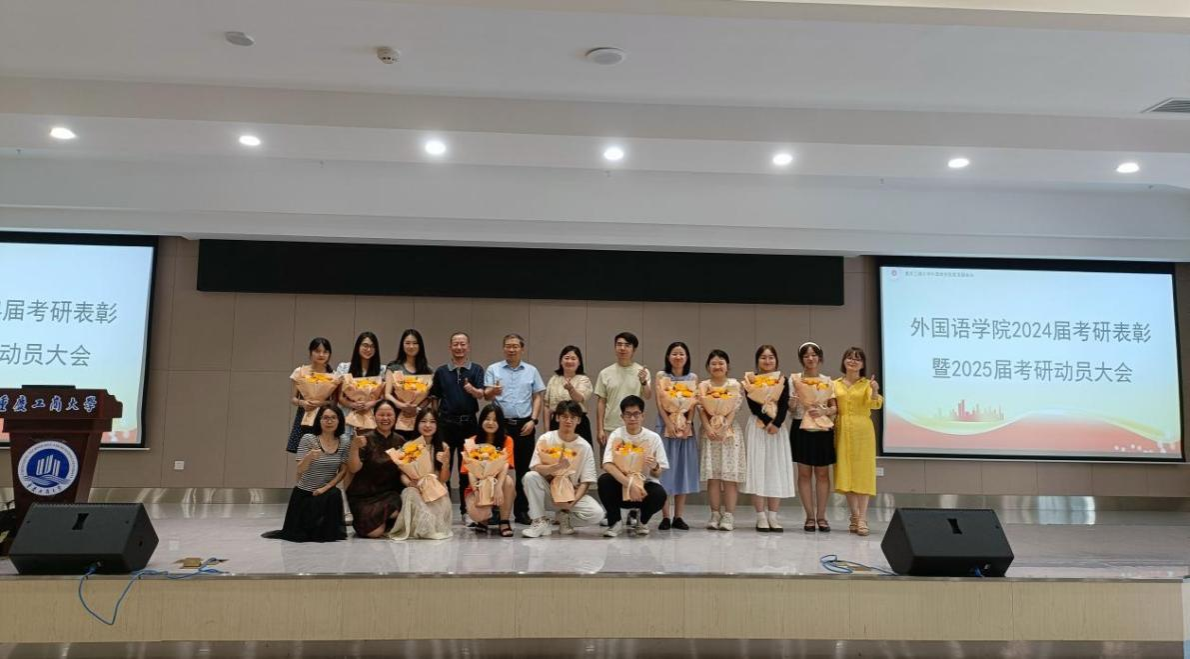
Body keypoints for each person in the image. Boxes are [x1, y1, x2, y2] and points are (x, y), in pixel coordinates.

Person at [262, 405, 349, 542]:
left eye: (333, 418)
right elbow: (300, 469)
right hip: (306, 495)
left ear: (339, 421)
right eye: (325, 418)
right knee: (300, 536)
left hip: (325, 493)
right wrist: (309, 457)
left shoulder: (344, 441)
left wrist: (324, 488)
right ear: (319, 420)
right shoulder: (308, 439)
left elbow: (343, 470)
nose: (329, 421)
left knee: (335, 493)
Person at [484, 333, 546, 525]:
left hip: (524, 425)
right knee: (493, 469)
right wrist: (492, 391)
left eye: (515, 346)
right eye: (508, 346)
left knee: (523, 470)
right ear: (503, 348)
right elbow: (486, 396)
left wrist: (534, 420)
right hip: (499, 426)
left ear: (522, 349)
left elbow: (538, 396)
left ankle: (522, 511)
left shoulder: (531, 370)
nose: (511, 349)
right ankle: (494, 511)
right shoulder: (493, 369)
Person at [522, 401, 605, 538]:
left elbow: (586, 481)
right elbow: (536, 467)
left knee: (597, 514)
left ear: (578, 420)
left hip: (570, 495)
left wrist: (572, 503)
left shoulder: (584, 446)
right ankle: (539, 520)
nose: (568, 420)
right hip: (548, 492)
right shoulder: (546, 438)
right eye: (565, 417)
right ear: (557, 418)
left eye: (573, 417)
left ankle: (564, 518)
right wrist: (555, 467)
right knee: (530, 476)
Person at [428, 331, 487, 521]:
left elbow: (482, 394)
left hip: (469, 424)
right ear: (450, 347)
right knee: (443, 466)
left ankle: (466, 511)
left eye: (463, 344)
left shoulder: (476, 369)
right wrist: (435, 421)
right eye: (455, 344)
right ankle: (441, 510)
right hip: (445, 423)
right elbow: (434, 398)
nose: (459, 347)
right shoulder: (441, 371)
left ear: (468, 347)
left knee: (467, 469)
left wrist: (473, 390)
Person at [597, 395, 669, 537]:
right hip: (621, 484)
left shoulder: (653, 438)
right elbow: (607, 465)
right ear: (622, 417)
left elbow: (658, 473)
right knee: (604, 480)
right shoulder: (616, 435)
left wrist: (655, 466)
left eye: (636, 414)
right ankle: (615, 522)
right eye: (628, 414)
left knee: (660, 494)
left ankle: (642, 521)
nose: (632, 418)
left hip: (644, 487)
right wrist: (630, 485)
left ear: (643, 416)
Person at [740, 345, 794, 532]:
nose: (767, 361)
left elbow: (784, 404)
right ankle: (760, 516)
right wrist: (766, 421)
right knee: (758, 468)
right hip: (758, 426)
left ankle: (773, 516)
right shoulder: (751, 380)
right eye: (763, 357)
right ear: (757, 361)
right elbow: (753, 405)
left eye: (771, 357)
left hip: (777, 429)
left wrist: (776, 423)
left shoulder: (782, 380)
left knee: (774, 468)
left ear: (776, 360)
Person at [834, 347, 882, 537]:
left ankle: (862, 518)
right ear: (843, 361)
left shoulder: (867, 384)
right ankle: (854, 515)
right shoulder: (834, 384)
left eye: (857, 359)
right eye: (849, 357)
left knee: (863, 474)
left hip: (862, 431)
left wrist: (875, 390)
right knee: (846, 473)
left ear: (863, 364)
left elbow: (875, 404)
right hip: (842, 430)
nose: (853, 361)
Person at [790, 342, 837, 533]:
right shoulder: (794, 379)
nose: (810, 358)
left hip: (822, 429)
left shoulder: (828, 381)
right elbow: (790, 409)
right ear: (801, 359)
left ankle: (822, 516)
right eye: (806, 355)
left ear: (820, 357)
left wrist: (825, 411)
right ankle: (809, 516)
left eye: (814, 355)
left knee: (823, 474)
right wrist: (793, 404)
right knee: (804, 474)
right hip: (801, 428)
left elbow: (834, 408)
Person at [389, 407, 454, 541]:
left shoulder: (443, 447)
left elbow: (444, 479)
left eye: (432, 422)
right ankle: (423, 525)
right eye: (423, 421)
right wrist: (410, 483)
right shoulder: (409, 445)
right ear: (417, 423)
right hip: (416, 488)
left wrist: (445, 464)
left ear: (437, 425)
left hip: (436, 490)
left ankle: (428, 525)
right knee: (409, 492)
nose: (427, 425)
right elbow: (403, 474)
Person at [654, 341, 699, 531]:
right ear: (668, 357)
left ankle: (678, 516)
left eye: (681, 354)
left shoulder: (692, 377)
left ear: (687, 357)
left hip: (685, 430)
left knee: (682, 470)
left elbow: (693, 404)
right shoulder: (661, 376)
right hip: (665, 427)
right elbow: (659, 403)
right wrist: (668, 423)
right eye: (674, 353)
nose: (678, 357)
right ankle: (665, 516)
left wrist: (688, 424)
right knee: (664, 471)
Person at [698, 350, 744, 532]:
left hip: (729, 434)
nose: (717, 366)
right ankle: (715, 514)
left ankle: (729, 515)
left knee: (729, 477)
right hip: (709, 433)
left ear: (727, 366)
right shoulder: (703, 385)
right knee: (714, 477)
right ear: (708, 366)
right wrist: (708, 428)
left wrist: (725, 426)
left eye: (721, 363)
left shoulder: (734, 385)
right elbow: (701, 410)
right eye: (713, 363)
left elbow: (733, 408)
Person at [345, 400, 405, 538]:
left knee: (396, 509)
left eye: (389, 415)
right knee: (374, 533)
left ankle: (387, 520)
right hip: (363, 496)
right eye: (381, 414)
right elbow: (353, 469)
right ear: (374, 416)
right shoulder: (365, 439)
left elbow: (404, 470)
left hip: (389, 494)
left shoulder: (400, 441)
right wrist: (354, 447)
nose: (385, 418)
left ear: (395, 417)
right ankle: (385, 522)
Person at [463, 404, 517, 537]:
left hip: (498, 482)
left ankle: (504, 521)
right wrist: (476, 492)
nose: (490, 423)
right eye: (487, 419)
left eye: (495, 420)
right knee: (478, 514)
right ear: (481, 420)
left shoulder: (507, 440)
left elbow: (505, 465)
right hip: (477, 484)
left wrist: (498, 487)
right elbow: (470, 470)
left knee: (508, 481)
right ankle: (482, 521)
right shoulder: (471, 442)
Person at [594, 332, 653, 451]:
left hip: (633, 427)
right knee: (609, 461)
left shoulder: (642, 372)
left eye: (627, 345)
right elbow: (601, 402)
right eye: (619, 344)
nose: (622, 348)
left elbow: (648, 395)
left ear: (634, 349)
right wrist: (600, 429)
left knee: (633, 460)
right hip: (610, 428)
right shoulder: (605, 373)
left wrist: (643, 382)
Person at [287, 337, 335, 453]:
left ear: (329, 354)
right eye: (317, 351)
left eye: (325, 351)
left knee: (324, 454)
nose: (321, 354)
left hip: (324, 417)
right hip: (304, 415)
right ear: (310, 352)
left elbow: (334, 401)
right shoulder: (300, 371)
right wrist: (302, 403)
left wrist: (321, 403)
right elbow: (293, 399)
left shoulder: (333, 375)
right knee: (304, 454)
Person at [336, 331, 387, 438]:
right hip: (348, 415)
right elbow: (339, 397)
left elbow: (383, 397)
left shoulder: (382, 370)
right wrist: (352, 405)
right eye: (365, 345)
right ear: (358, 347)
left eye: (372, 346)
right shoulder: (344, 368)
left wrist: (371, 404)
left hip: (371, 417)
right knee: (346, 445)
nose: (368, 349)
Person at [385, 328, 433, 432]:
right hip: (396, 415)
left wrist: (417, 408)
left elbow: (429, 397)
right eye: (407, 343)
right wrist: (402, 406)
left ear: (420, 346)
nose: (411, 346)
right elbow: (387, 394)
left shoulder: (428, 370)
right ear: (402, 345)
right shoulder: (393, 367)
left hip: (419, 418)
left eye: (415, 343)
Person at [543, 345, 594, 443]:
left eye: (573, 359)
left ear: (579, 362)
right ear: (561, 361)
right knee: (556, 451)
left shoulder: (583, 379)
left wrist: (571, 389)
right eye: (566, 358)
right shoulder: (554, 379)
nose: (569, 361)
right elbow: (547, 406)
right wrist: (547, 430)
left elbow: (579, 398)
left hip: (578, 423)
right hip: (557, 422)